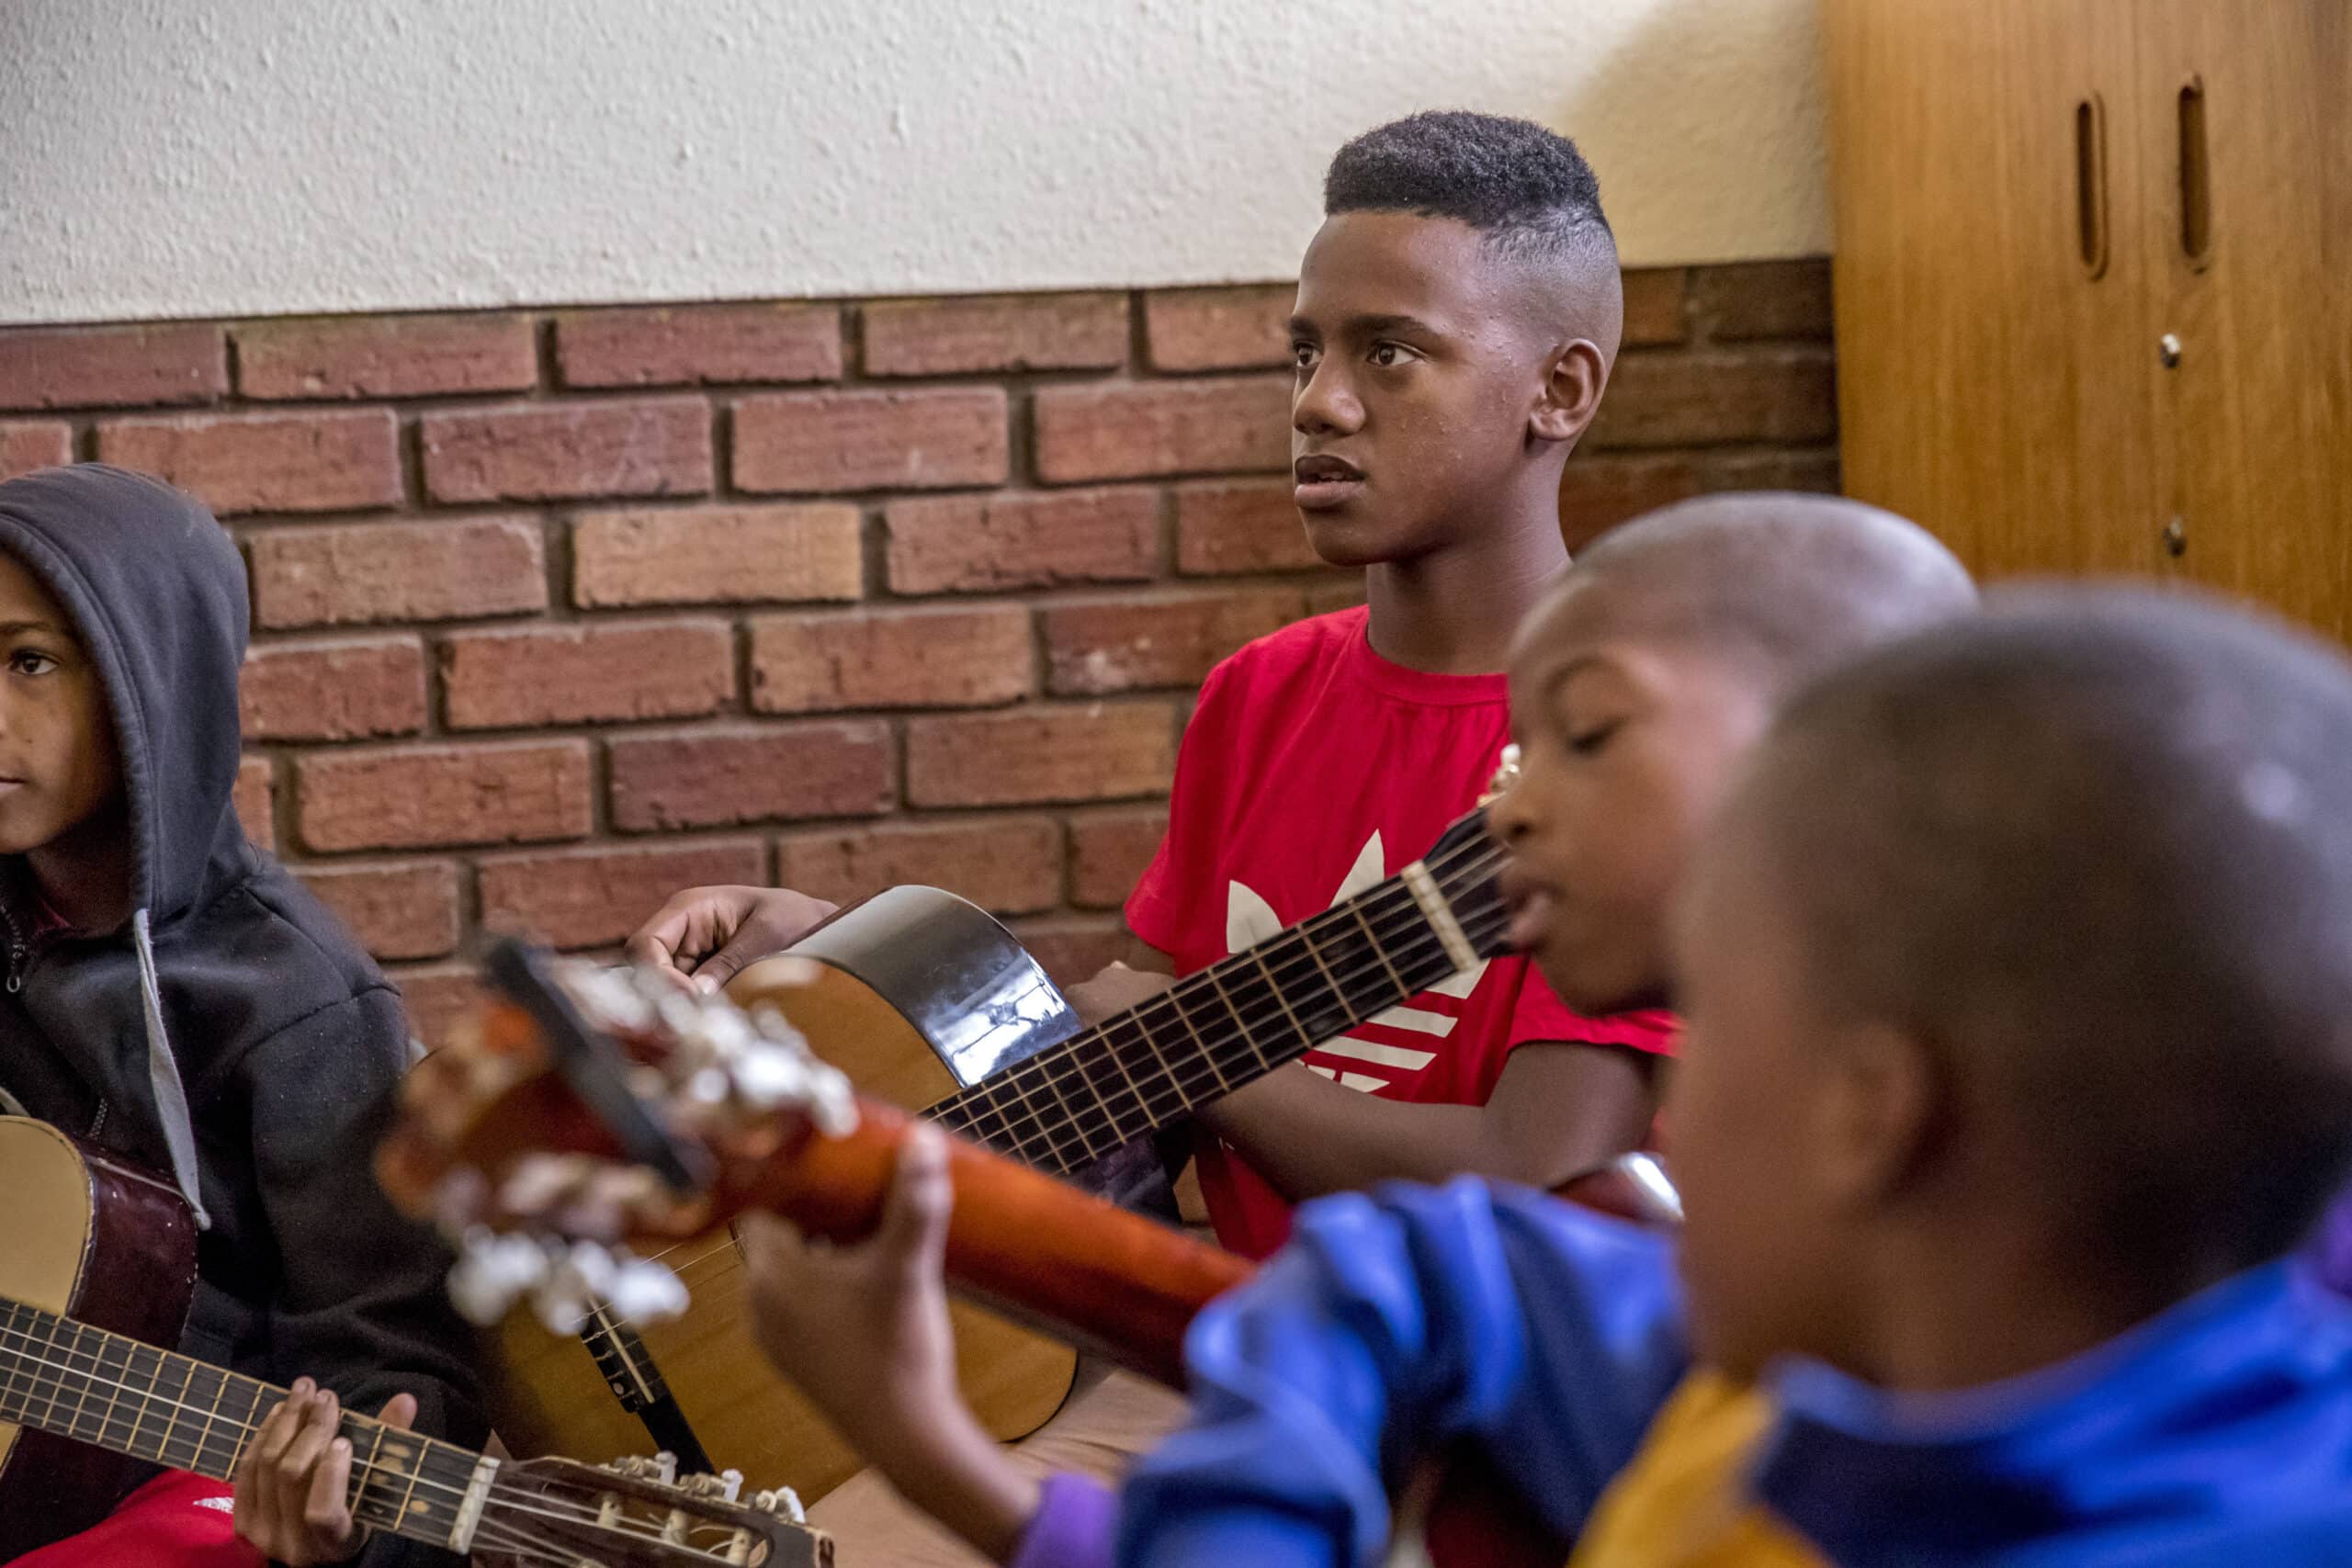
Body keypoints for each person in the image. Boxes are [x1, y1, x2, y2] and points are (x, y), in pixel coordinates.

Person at [640, 107, 1678, 1568]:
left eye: (1389, 352)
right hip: (1216, 1357)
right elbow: (1134, 1092)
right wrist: (850, 964)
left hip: (1481, 1434)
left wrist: (1212, 1047)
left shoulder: (1616, 737)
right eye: (1302, 351)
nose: (1320, 401)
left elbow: (1531, 1162)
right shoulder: (1262, 695)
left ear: (1559, 385)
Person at [736, 494, 1994, 1563]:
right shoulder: (1493, 1279)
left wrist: (921, 1434)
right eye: (1521, 747)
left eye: (1589, 733)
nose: (1509, 809)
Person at [0, 465, 485, 1568]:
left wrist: (342, 1526)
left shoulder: (300, 1000)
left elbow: (404, 1375)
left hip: (188, 1483)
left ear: (148, 684)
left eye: (29, 663)